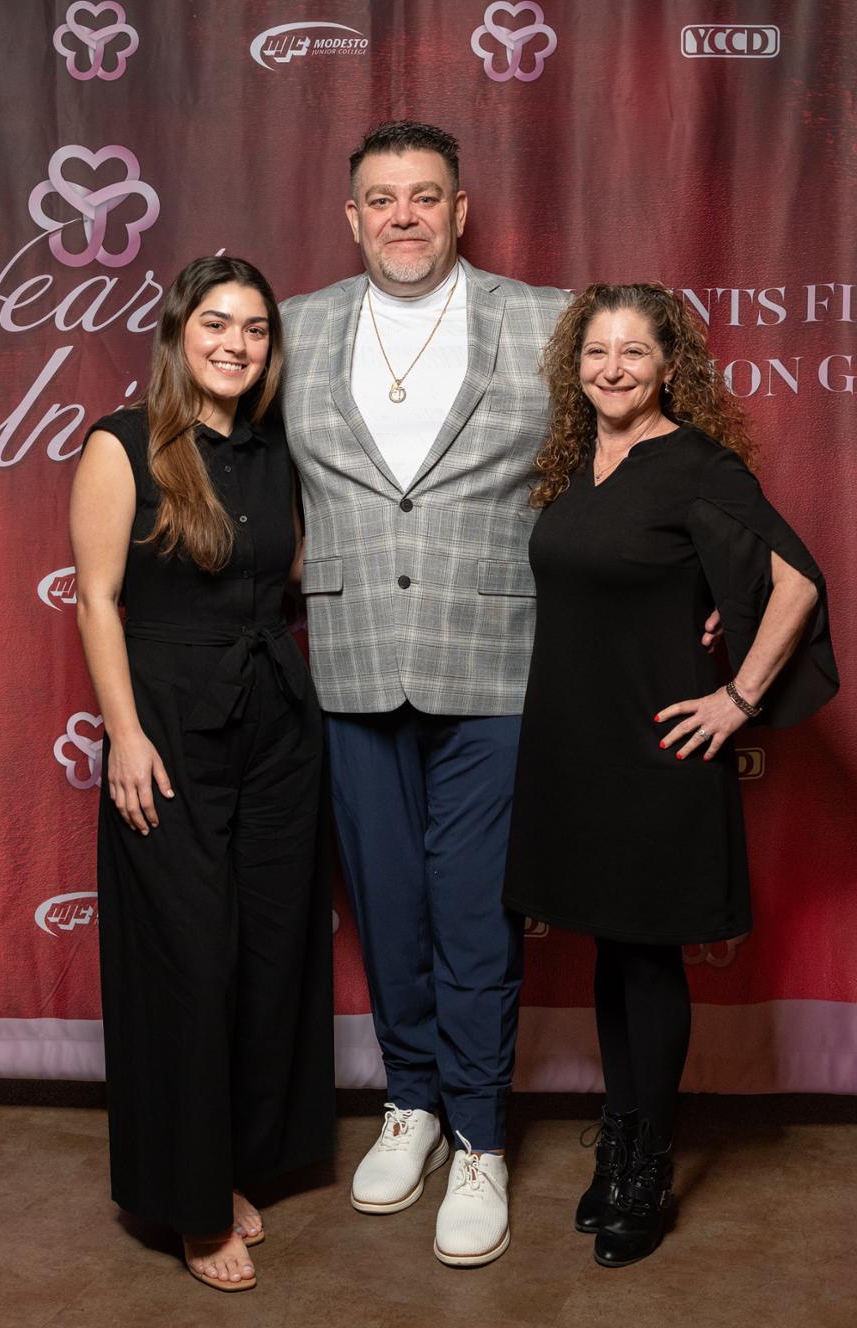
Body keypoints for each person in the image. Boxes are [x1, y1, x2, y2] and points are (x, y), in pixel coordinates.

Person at [279, 120, 569, 1267]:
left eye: (425, 196)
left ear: (462, 210)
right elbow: (226, 472)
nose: (403, 215)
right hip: (349, 658)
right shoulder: (291, 330)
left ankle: (483, 1134)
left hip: (496, 655)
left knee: (475, 908)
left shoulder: (544, 320)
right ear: (351, 217)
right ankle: (413, 1103)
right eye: (381, 198)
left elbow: (628, 455)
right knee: (388, 901)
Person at [503, 282, 838, 1268]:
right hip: (574, 745)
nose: (612, 367)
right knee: (612, 953)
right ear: (576, 366)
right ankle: (620, 1145)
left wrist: (736, 695)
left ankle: (645, 1170)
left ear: (668, 368)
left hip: (655, 749)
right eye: (595, 351)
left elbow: (798, 580)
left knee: (646, 960)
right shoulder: (573, 467)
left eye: (634, 353)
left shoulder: (694, 463)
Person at [69, 255, 333, 1293]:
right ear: (179, 334)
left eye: (256, 328)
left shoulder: (278, 454)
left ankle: (234, 1160)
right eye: (216, 323)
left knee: (269, 946)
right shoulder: (122, 442)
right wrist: (124, 736)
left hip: (276, 720)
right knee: (190, 958)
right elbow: (96, 601)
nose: (236, 342)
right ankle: (186, 1201)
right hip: (167, 718)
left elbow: (301, 578)